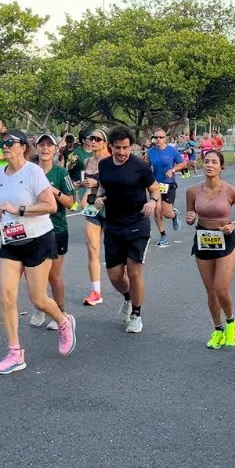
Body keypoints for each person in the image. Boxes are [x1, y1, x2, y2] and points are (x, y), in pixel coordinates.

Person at [0, 130, 76, 373]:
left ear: (22, 147)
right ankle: (15, 353)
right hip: (11, 242)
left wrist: (21, 210)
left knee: (38, 299)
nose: (4, 147)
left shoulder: (33, 171)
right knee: (6, 296)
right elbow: (0, 209)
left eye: (9, 143)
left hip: (38, 239)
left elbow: (50, 205)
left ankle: (63, 321)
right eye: (1, 143)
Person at [92, 127, 160, 333]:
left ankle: (136, 314)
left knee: (134, 270)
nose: (122, 152)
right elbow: (103, 187)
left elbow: (154, 188)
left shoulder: (141, 167)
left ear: (131, 146)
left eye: (126, 148)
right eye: (118, 148)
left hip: (137, 224)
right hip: (113, 225)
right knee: (114, 276)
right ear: (110, 146)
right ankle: (129, 297)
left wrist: (153, 202)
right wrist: (98, 197)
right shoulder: (104, 165)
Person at [185, 150, 235, 349]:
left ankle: (231, 323)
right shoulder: (193, 191)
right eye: (206, 161)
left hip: (225, 239)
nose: (210, 165)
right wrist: (190, 217)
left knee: (221, 287)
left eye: (214, 162)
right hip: (203, 239)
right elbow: (190, 212)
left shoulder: (230, 190)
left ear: (221, 167)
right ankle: (218, 329)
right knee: (210, 291)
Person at [34, 133, 77, 327]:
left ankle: (61, 311)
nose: (45, 149)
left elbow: (70, 202)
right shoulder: (30, 171)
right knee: (35, 273)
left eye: (49, 145)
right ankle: (41, 307)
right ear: (36, 148)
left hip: (56, 228)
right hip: (33, 229)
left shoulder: (61, 173)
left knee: (53, 274)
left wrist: (52, 191)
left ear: (54, 149)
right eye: (41, 145)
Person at [78, 128, 110, 306]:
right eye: (92, 138)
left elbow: (114, 182)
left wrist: (97, 183)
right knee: (92, 249)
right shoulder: (87, 160)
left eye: (98, 139)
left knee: (115, 253)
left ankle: (129, 291)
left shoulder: (110, 161)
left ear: (105, 142)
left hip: (110, 208)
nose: (94, 141)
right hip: (92, 209)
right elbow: (87, 187)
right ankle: (96, 292)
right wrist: (81, 186)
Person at [146, 129, 184, 247]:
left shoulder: (172, 150)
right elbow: (146, 166)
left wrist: (172, 170)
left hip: (169, 184)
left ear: (165, 138)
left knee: (166, 212)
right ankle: (163, 236)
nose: (158, 139)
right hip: (155, 185)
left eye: (161, 137)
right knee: (156, 211)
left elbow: (182, 163)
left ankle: (174, 215)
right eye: (156, 137)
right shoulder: (150, 152)